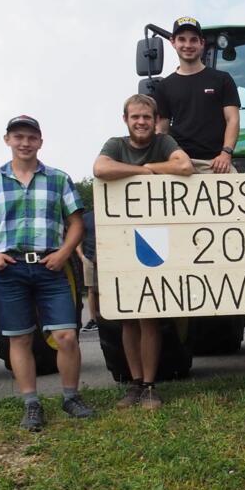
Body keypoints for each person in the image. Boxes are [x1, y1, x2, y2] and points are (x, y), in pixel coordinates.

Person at [0, 115, 94, 430]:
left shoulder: (58, 179)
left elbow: (76, 222)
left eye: (31, 138)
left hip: (51, 267)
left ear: (40, 141)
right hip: (9, 269)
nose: (25, 143)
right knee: (19, 338)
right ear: (7, 139)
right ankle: (31, 404)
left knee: (65, 335)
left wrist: (64, 253)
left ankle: (70, 397)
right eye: (18, 137)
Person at [93, 94, 194, 409]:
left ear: (155, 120)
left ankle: (150, 385)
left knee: (149, 317)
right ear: (126, 119)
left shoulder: (164, 142)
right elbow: (100, 168)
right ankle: (135, 383)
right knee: (127, 318)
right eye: (135, 117)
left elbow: (185, 165)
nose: (141, 122)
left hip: (155, 238)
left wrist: (148, 167)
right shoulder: (115, 144)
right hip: (121, 239)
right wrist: (144, 174)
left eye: (146, 117)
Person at [153, 16, 240, 174]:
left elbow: (232, 119)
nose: (188, 45)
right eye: (182, 40)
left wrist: (226, 154)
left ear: (201, 43)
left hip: (217, 164)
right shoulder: (164, 87)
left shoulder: (222, 79)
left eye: (193, 40)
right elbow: (162, 130)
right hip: (180, 163)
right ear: (173, 42)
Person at [76, 209, 98, 331]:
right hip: (89, 258)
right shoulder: (86, 218)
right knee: (91, 289)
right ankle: (93, 319)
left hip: (108, 257)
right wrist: (81, 256)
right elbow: (78, 238)